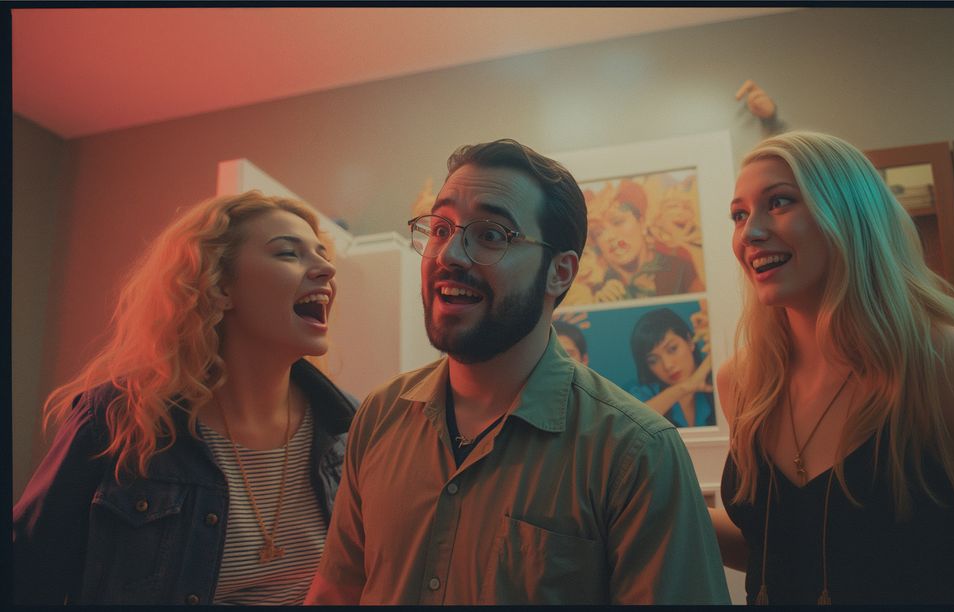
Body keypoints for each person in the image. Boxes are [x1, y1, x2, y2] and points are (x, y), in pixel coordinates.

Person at [306, 139, 729, 605]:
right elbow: (336, 592)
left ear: (560, 273)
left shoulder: (635, 451)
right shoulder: (379, 416)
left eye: (490, 235)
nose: (450, 255)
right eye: (442, 228)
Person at [711, 131, 954, 604]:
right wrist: (663, 495)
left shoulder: (941, 362)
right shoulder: (742, 381)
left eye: (779, 202)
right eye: (739, 214)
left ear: (849, 216)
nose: (749, 232)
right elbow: (770, 545)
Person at [13, 191, 358, 605]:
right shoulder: (116, 418)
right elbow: (26, 578)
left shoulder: (351, 427)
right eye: (288, 253)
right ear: (219, 286)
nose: (325, 268)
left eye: (322, 255)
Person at [571, 178, 705, 304]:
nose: (610, 236)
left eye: (618, 221)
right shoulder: (595, 286)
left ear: (641, 222)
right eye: (599, 232)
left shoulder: (680, 269)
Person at [628, 307, 715, 427]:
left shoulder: (717, 379)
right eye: (653, 360)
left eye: (672, 349)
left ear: (689, 341)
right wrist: (686, 387)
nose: (667, 365)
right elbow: (629, 426)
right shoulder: (644, 394)